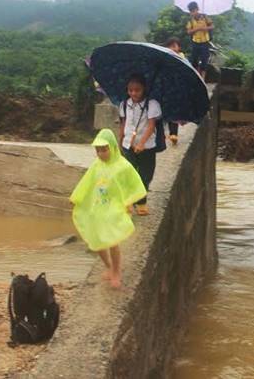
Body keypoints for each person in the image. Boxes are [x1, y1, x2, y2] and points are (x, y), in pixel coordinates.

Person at [69, 129, 146, 289]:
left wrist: (128, 202)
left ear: (112, 148)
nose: (101, 154)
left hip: (114, 207)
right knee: (96, 240)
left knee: (112, 241)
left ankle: (116, 272)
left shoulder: (122, 166)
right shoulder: (97, 166)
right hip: (98, 206)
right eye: (98, 150)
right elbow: (86, 183)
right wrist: (76, 198)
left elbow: (133, 184)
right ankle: (108, 266)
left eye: (104, 150)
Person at [118, 73, 161, 216]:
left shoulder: (152, 104)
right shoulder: (124, 104)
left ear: (144, 89)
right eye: (130, 90)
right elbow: (123, 124)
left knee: (145, 175)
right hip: (128, 145)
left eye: (137, 90)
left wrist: (141, 143)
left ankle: (141, 202)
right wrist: (120, 143)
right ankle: (129, 201)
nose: (133, 93)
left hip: (147, 146)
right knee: (129, 174)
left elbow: (151, 125)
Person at [164, 37, 185, 146]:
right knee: (167, 111)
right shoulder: (165, 57)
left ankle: (173, 134)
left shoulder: (181, 58)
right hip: (167, 88)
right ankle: (169, 133)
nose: (172, 48)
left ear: (179, 47)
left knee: (174, 112)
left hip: (176, 89)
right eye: (170, 46)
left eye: (174, 45)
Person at [185, 1, 213, 79]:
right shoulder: (190, 20)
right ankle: (197, 77)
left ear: (197, 9)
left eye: (194, 11)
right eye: (191, 12)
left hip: (205, 42)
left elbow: (212, 26)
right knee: (194, 61)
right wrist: (196, 29)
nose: (193, 13)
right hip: (195, 42)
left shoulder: (205, 17)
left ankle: (203, 78)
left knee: (204, 60)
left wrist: (204, 28)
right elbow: (188, 31)